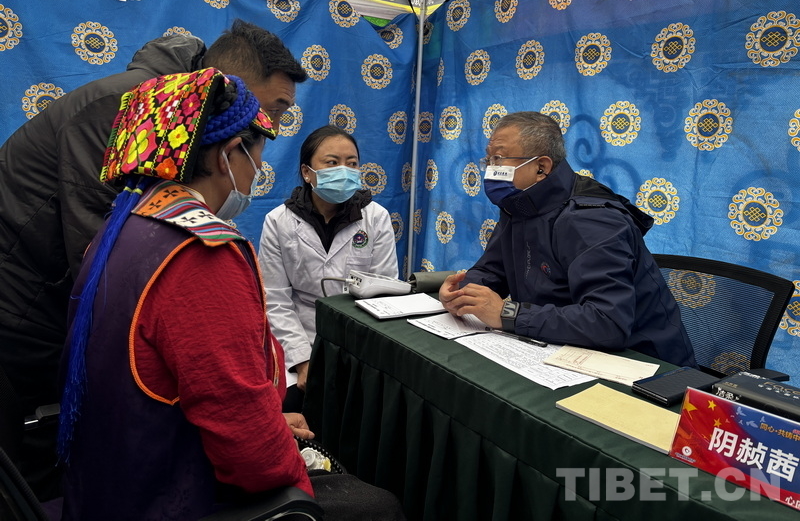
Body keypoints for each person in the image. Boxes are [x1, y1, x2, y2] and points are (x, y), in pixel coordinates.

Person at [59, 68, 405, 521]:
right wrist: (289, 470)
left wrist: (269, 419)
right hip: (170, 490)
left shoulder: (124, 224)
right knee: (379, 507)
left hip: (111, 475)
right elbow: (247, 445)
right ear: (228, 155)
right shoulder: (200, 254)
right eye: (257, 155)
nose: (258, 170)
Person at [0, 19, 306, 498]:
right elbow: (246, 440)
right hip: (22, 308)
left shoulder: (135, 224)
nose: (273, 132)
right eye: (274, 112)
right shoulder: (189, 249)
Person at [440, 111, 695, 367]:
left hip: (645, 365)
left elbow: (607, 322)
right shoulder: (518, 205)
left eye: (499, 158)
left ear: (541, 167)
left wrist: (508, 314)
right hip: (558, 348)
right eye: (488, 159)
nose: (490, 169)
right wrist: (462, 293)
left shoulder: (592, 220)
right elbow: (493, 270)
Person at [258, 126, 399, 412]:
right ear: (307, 172)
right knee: (293, 403)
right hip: (300, 332)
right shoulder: (278, 222)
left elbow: (384, 292)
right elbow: (276, 301)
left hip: (360, 335)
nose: (344, 171)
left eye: (352, 163)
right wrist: (303, 360)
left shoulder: (376, 218)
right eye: (332, 163)